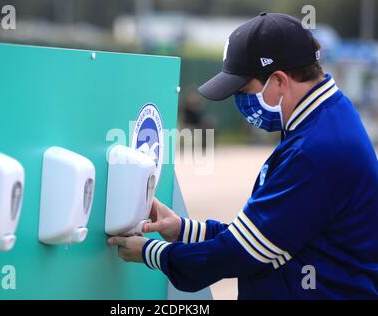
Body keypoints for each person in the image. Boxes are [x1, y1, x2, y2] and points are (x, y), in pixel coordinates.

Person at [108, 12, 378, 299]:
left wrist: (152, 253)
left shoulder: (315, 150)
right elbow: (265, 235)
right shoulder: (328, 118)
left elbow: (240, 254)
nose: (241, 102)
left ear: (278, 81)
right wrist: (183, 230)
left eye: (243, 89)